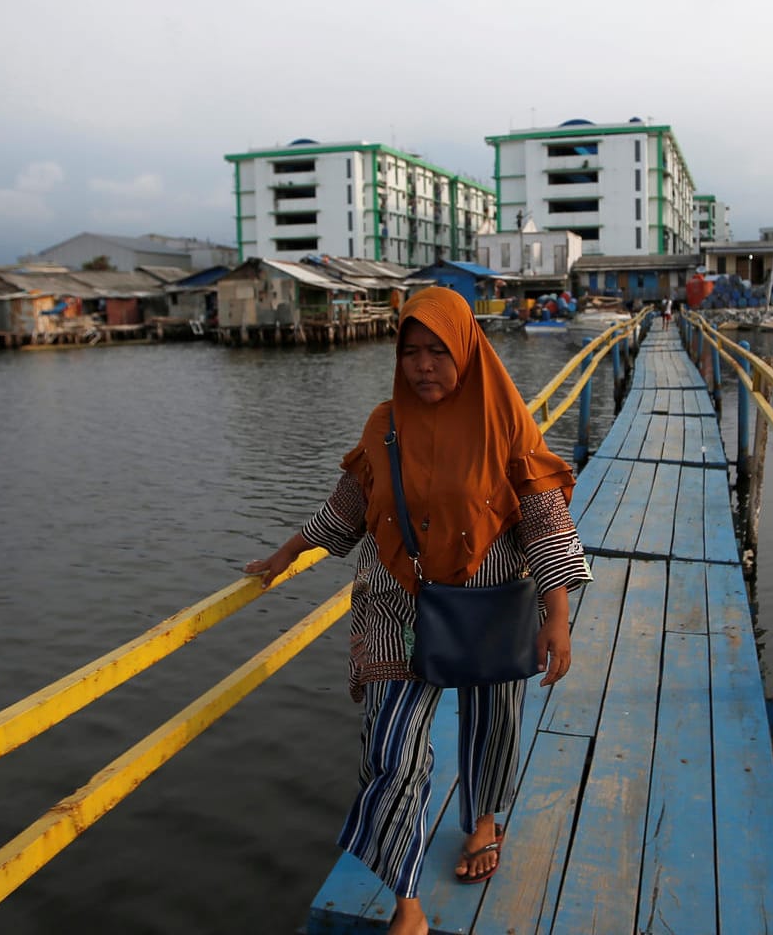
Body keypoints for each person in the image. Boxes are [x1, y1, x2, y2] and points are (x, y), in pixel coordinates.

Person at [245, 287, 590, 935]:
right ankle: (407, 900)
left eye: (438, 351)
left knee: (493, 720)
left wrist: (557, 611)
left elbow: (544, 516)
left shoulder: (503, 420)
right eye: (410, 352)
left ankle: (484, 818)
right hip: (397, 603)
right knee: (393, 750)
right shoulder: (385, 424)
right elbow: (348, 507)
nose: (423, 366)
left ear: (465, 350)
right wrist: (286, 552)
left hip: (488, 594)